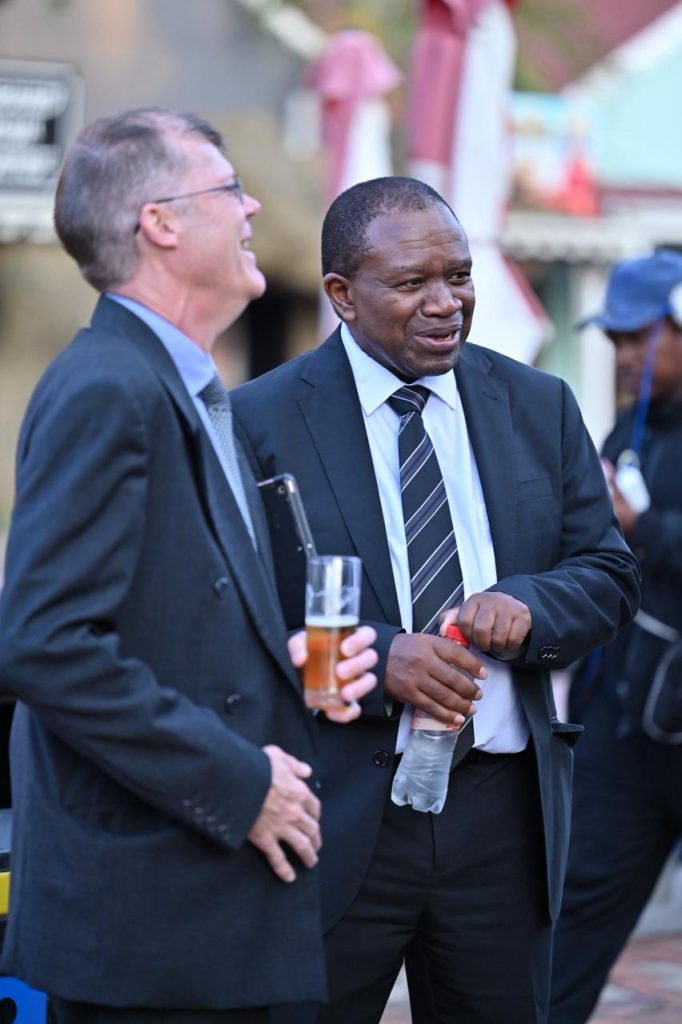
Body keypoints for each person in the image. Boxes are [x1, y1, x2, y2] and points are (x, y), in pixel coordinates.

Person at [231, 176, 640, 1024]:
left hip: (500, 816)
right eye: (412, 283)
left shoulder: (539, 404)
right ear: (342, 294)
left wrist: (531, 606)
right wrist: (379, 658)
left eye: (458, 276)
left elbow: (609, 573)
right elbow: (234, 610)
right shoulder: (257, 421)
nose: (447, 303)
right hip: (333, 810)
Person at [0, 107, 379, 1024]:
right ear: (160, 223)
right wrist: (241, 786)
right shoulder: (107, 388)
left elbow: (164, 613)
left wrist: (283, 667)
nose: (253, 206)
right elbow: (46, 644)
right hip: (148, 920)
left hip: (197, 913)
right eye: (229, 188)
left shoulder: (182, 387)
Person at [549, 250, 682, 1023]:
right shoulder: (620, 433)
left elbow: (637, 533)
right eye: (616, 340)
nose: (626, 355)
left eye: (640, 336)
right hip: (621, 731)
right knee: (564, 928)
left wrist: (644, 526)